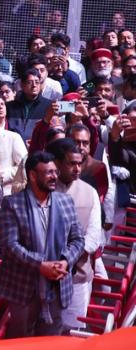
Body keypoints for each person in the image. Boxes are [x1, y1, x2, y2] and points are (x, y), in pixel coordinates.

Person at [0, 153, 86, 338]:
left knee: (50, 347)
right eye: (48, 173)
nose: (54, 177)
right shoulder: (13, 204)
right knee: (20, 344)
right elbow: (10, 246)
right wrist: (40, 265)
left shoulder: (65, 201)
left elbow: (78, 239)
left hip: (57, 285)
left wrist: (66, 261)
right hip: (24, 288)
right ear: (33, 175)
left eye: (55, 171)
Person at [48, 139, 103, 331]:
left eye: (79, 164)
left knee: (72, 333)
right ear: (58, 164)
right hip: (45, 274)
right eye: (72, 163)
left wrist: (67, 258)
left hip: (77, 275)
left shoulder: (90, 193)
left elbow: (94, 235)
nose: (77, 169)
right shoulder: (44, 190)